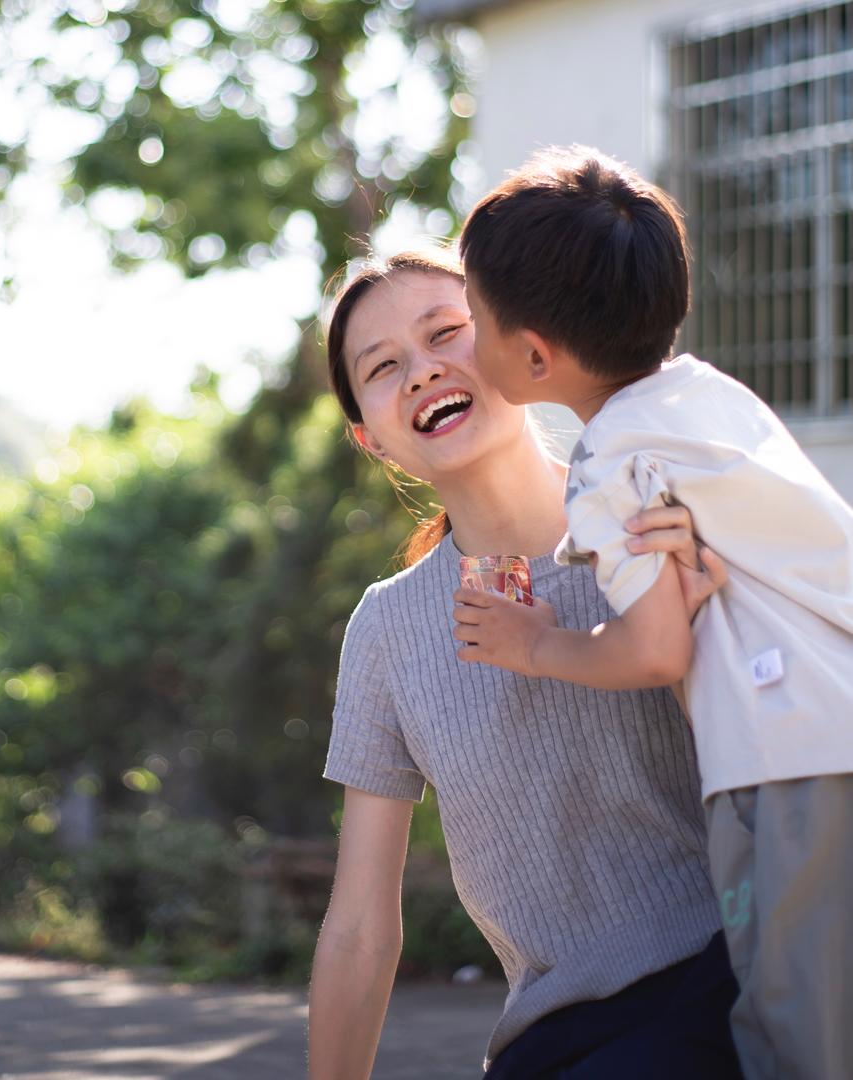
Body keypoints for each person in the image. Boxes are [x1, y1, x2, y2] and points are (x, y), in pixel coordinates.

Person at [454, 146, 853, 1080]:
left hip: (790, 765)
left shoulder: (611, 462)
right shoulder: (713, 399)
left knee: (795, 1040)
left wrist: (538, 642)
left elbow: (653, 644)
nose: (466, 344)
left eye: (470, 321)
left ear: (535, 355)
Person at [308, 251, 743, 1079]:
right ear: (371, 438)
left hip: (729, 982)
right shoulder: (388, 630)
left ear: (518, 348)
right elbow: (361, 922)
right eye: (384, 366)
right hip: (550, 1039)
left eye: (446, 333)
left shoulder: (651, 510)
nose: (422, 369)